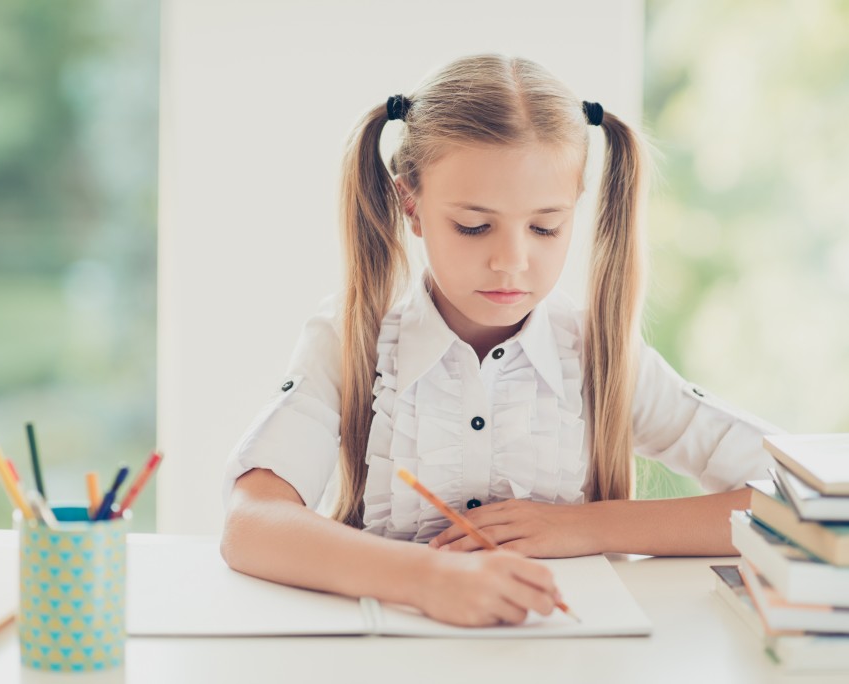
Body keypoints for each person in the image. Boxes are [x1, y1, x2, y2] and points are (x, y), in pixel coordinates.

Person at [220, 53, 779, 627]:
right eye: (474, 226)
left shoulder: (599, 353)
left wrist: (581, 527)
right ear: (411, 204)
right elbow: (252, 521)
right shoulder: (350, 339)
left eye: (545, 227)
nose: (511, 261)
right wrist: (430, 580)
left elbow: (791, 498)